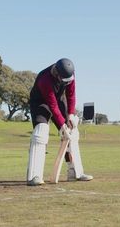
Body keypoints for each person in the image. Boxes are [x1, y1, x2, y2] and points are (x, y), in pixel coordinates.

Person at [27, 58, 93, 186]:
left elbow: (71, 95)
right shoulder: (45, 79)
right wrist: (62, 125)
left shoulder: (69, 74)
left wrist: (71, 115)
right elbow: (52, 106)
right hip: (40, 102)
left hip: (58, 100)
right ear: (56, 73)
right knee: (41, 132)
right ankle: (34, 175)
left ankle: (74, 172)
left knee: (72, 133)